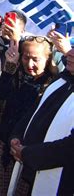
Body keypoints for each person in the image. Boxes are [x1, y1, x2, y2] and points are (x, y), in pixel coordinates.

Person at [0, 36, 57, 195]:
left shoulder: (53, 84)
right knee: (0, 189)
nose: (29, 64)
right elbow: (2, 93)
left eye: (35, 59)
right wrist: (10, 66)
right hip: (4, 143)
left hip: (30, 150)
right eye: (26, 57)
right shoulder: (17, 74)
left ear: (48, 59)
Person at [8, 48, 74, 195]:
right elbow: (35, 111)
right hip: (30, 171)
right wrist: (17, 136)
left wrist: (28, 154)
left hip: (62, 182)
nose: (69, 53)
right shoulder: (63, 80)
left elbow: (70, 148)